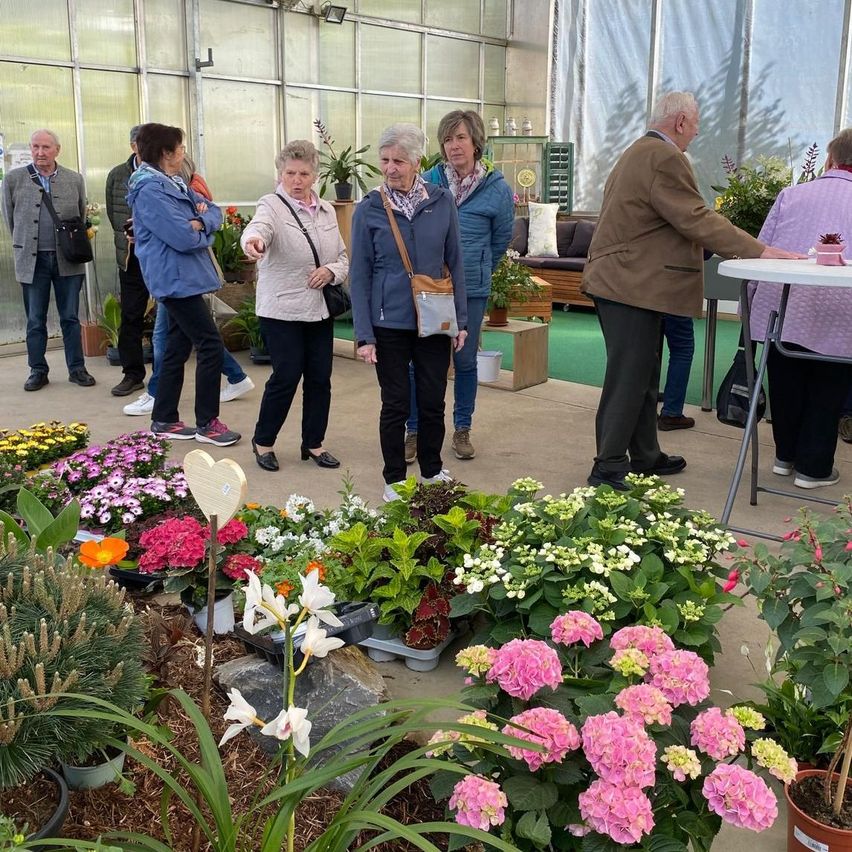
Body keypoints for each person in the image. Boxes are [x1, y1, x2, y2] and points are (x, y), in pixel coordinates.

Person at [581, 91, 800, 491]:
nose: (696, 133)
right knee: (629, 378)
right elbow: (695, 218)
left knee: (644, 375)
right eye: (696, 125)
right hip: (628, 283)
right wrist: (761, 249)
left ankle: (645, 455)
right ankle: (608, 465)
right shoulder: (664, 157)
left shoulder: (640, 151)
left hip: (627, 281)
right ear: (681, 122)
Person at [350, 123, 467, 502]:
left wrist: (461, 321)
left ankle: (432, 472)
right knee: (396, 403)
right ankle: (394, 479)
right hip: (389, 323)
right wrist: (364, 335)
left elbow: (455, 263)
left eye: (399, 160)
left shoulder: (441, 201)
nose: (390, 168)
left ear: (417, 162)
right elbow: (360, 274)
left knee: (434, 399)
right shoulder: (368, 208)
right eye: (384, 160)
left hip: (435, 318)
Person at [405, 110, 514, 462]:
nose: (454, 146)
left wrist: (476, 270)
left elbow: (500, 242)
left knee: (465, 360)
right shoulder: (427, 183)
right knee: (419, 362)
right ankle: (414, 428)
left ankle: (462, 428)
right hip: (432, 287)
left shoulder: (497, 189)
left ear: (476, 142)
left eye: (461, 138)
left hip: (472, 290)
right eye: (448, 139)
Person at [747, 128, 852, 488]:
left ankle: (784, 456)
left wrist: (750, 305)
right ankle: (813, 468)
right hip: (842, 316)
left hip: (786, 308)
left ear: (830, 158)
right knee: (830, 387)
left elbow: (761, 251)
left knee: (786, 380)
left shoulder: (791, 195)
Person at [126, 122, 239, 446]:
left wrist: (200, 221)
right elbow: (182, 237)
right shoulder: (149, 189)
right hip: (173, 279)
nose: (183, 153)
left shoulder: (173, 182)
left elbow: (213, 211)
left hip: (185, 277)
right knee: (210, 345)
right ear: (165, 153)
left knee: (176, 349)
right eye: (180, 148)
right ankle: (208, 423)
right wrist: (199, 227)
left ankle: (164, 419)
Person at [241, 140, 349, 472]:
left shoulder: (328, 210)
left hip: (319, 308)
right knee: (287, 375)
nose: (297, 180)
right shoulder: (271, 205)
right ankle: (263, 441)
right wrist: (253, 242)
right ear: (280, 173)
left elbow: (343, 258)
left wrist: (330, 271)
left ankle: (314, 444)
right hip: (282, 310)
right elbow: (258, 229)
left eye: (303, 173)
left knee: (320, 378)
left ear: (315, 175)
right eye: (290, 173)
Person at [2, 129, 96, 391]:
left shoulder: (74, 179)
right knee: (35, 319)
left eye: (45, 147)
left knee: (69, 316)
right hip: (31, 261)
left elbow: (80, 214)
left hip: (68, 259)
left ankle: (77, 369)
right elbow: (9, 219)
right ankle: (37, 370)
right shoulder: (13, 179)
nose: (40, 152)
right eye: (35, 147)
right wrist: (26, 244)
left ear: (57, 149)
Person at [105, 125, 148, 398]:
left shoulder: (169, 171)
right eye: (142, 144)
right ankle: (132, 374)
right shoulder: (118, 175)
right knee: (131, 315)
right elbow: (113, 214)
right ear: (133, 146)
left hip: (163, 256)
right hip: (131, 257)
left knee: (179, 313)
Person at [658, 314, 696, 430]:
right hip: (675, 302)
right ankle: (672, 413)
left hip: (646, 301)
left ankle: (646, 410)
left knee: (650, 348)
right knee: (682, 349)